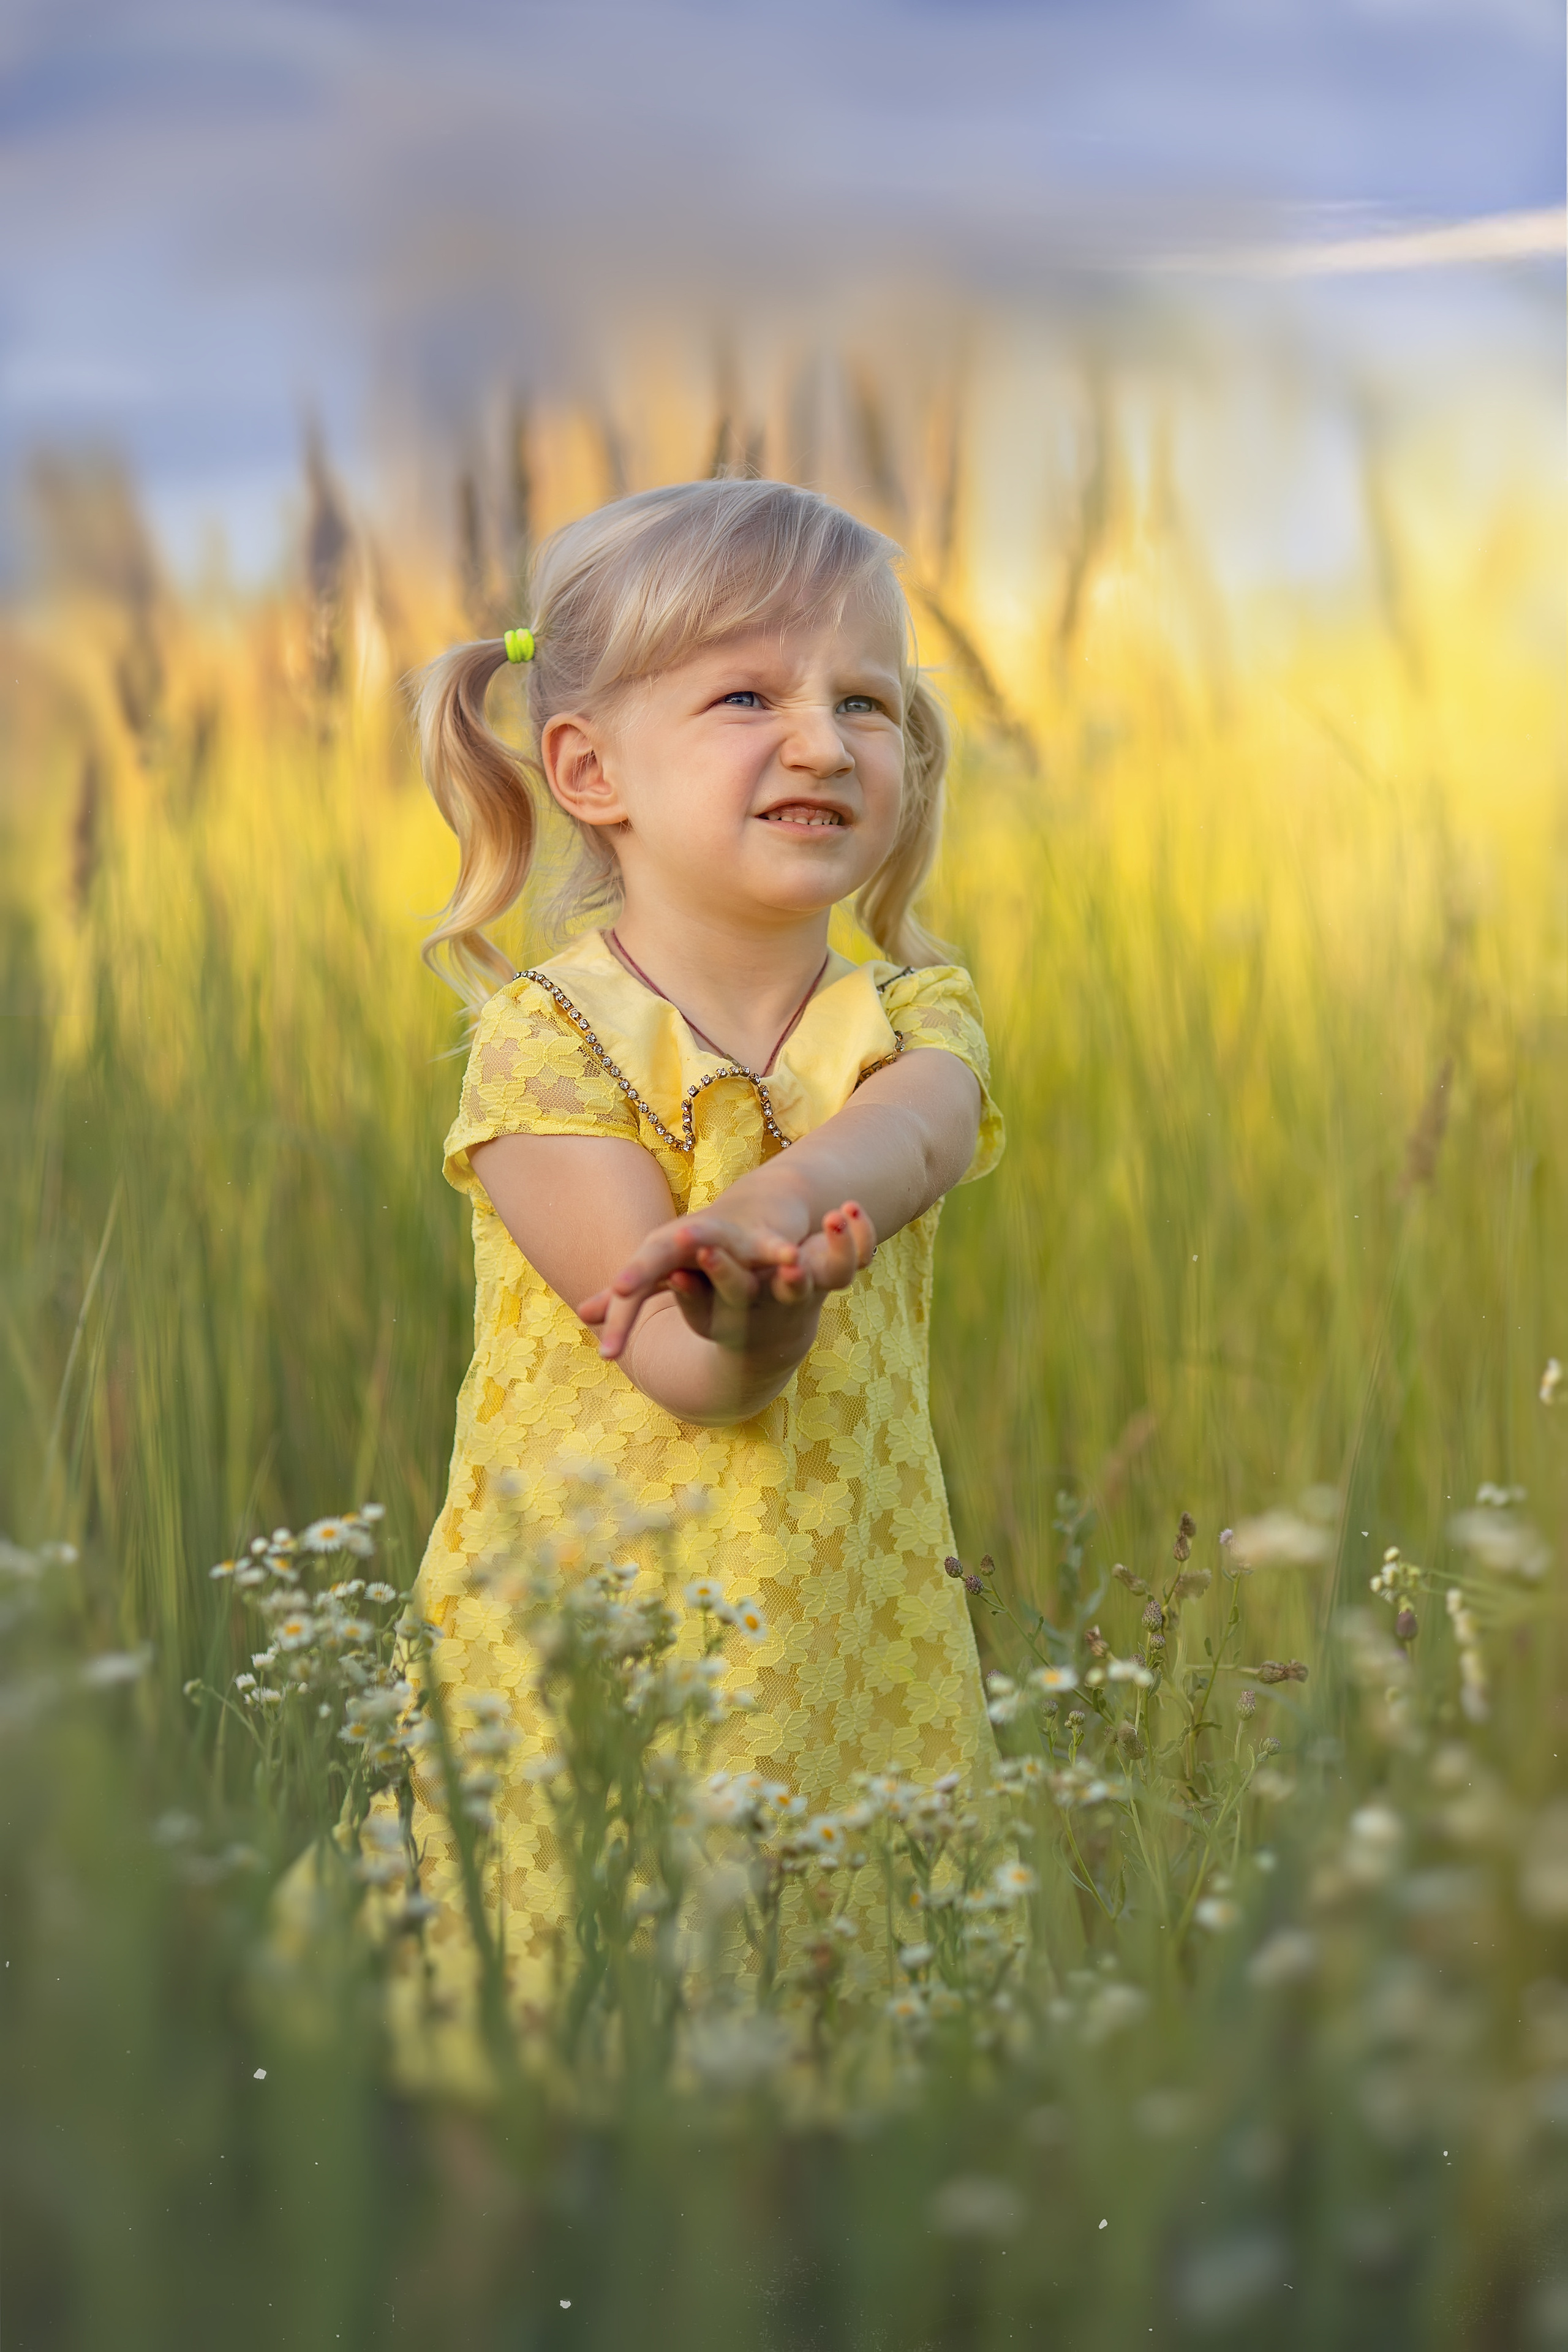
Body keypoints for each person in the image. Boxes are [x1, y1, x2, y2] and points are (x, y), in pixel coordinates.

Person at [405, 477, 1004, 2022]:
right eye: (748, 697)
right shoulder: (546, 1046)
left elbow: (915, 1138)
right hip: (593, 1650)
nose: (822, 742)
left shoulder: (906, 1022)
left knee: (827, 2023)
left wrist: (764, 1210)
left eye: (863, 701)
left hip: (841, 1635)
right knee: (549, 2032)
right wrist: (762, 1317)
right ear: (586, 769)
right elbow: (683, 1361)